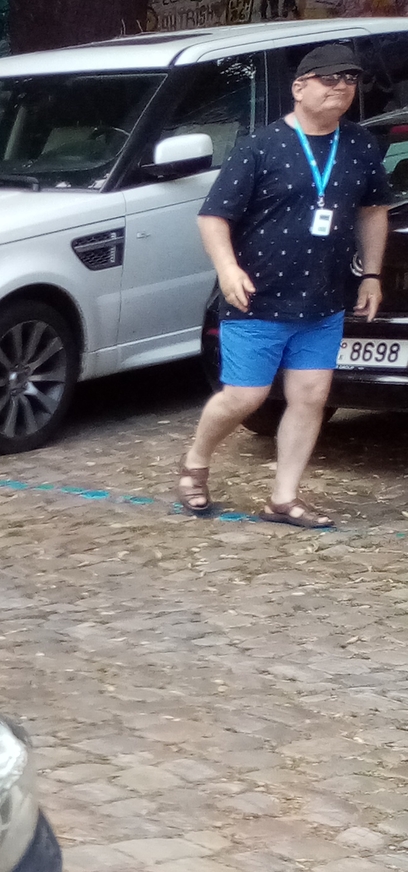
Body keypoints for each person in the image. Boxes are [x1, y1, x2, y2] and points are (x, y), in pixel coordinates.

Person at [176, 42, 388, 528]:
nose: (341, 87)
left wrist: (371, 273)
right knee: (245, 398)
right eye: (329, 79)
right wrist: (228, 270)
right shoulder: (261, 145)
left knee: (311, 397)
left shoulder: (359, 145)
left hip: (323, 301)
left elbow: (374, 210)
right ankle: (196, 458)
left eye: (350, 80)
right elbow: (213, 218)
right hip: (258, 298)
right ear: (299, 87)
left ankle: (284, 497)